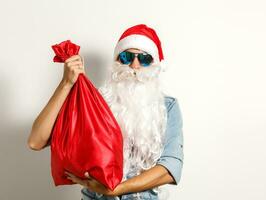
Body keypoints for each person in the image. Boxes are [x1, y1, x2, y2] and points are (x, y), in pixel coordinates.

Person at [27, 24, 184, 200]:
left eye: (144, 58)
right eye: (126, 57)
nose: (134, 65)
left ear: (155, 65)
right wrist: (66, 84)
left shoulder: (167, 107)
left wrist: (115, 189)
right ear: (116, 61)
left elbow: (170, 168)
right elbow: (36, 141)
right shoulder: (94, 103)